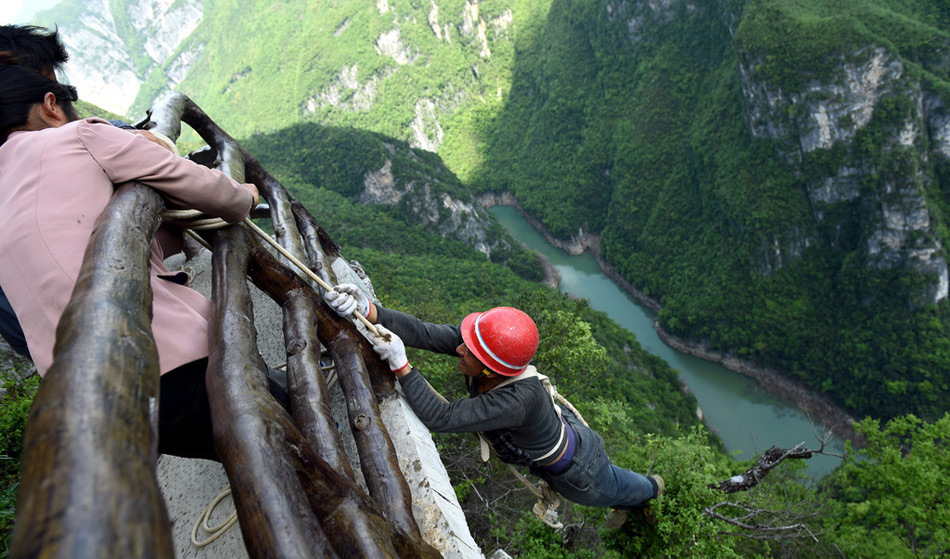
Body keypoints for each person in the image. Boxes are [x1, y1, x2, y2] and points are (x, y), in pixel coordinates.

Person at [0, 61, 270, 461]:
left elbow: (82, 247)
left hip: (102, 411)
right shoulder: (80, 136)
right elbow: (205, 189)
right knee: (291, 444)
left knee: (244, 462)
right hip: (174, 363)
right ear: (50, 105)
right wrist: (244, 194)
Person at [324, 284, 664, 528]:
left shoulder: (516, 401)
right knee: (616, 481)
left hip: (578, 472)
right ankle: (632, 496)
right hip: (571, 439)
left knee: (616, 488)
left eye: (467, 351)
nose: (460, 349)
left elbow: (442, 417)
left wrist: (402, 366)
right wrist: (368, 309)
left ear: (489, 369)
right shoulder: (492, 356)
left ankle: (652, 490)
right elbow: (426, 333)